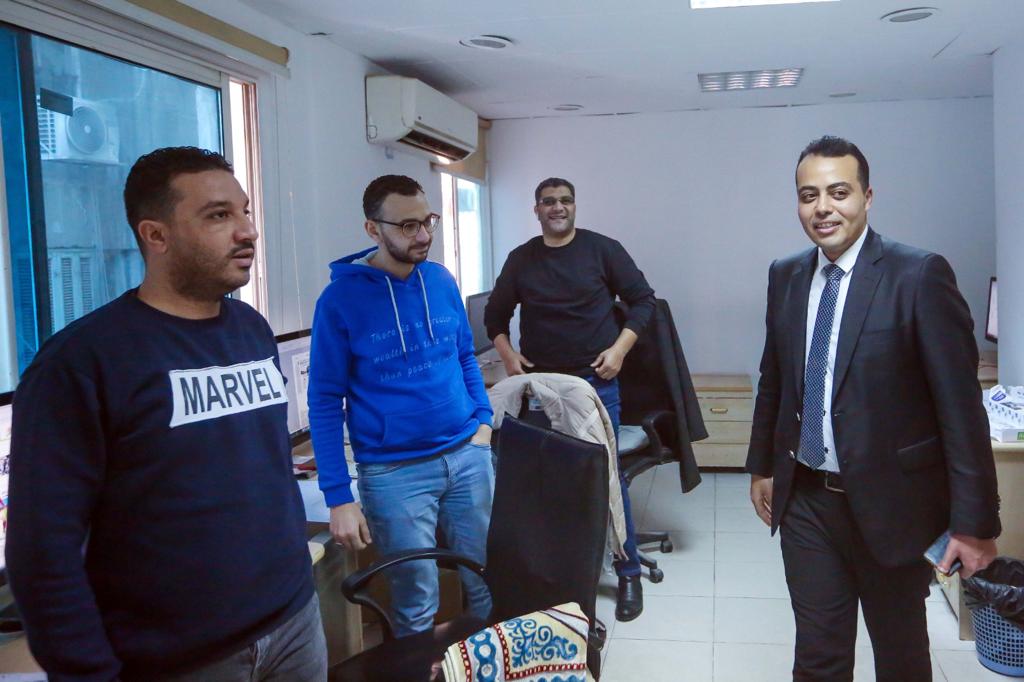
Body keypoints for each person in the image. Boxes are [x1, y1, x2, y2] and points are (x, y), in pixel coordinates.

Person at [6, 147, 325, 681]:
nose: (247, 231)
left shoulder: (250, 329)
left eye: (244, 212)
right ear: (156, 235)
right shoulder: (82, 362)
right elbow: (43, 551)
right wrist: (87, 671)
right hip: (180, 659)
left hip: (292, 622)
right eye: (218, 215)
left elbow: (264, 469)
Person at [746, 135, 1000, 681]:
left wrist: (975, 523)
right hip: (807, 501)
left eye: (838, 192)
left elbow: (961, 410)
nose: (823, 208)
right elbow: (776, 379)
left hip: (893, 504)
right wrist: (763, 465)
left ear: (867, 196)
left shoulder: (919, 275)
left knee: (900, 653)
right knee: (818, 657)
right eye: (809, 195)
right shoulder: (785, 275)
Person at [307, 174, 494, 637]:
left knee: (483, 579)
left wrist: (484, 421)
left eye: (428, 221)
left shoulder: (441, 279)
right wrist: (338, 496)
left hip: (467, 457)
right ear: (373, 229)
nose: (424, 235)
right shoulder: (339, 301)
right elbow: (325, 401)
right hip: (395, 474)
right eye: (408, 226)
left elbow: (464, 355)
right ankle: (420, 666)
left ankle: (483, 662)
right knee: (416, 600)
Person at [484, 177, 656, 621]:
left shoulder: (602, 250)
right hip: (542, 389)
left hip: (595, 385)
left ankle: (628, 572)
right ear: (536, 210)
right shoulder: (522, 259)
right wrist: (508, 355)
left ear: (575, 206)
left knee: (607, 478)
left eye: (565, 200)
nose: (557, 208)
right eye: (549, 202)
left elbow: (644, 302)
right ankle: (557, 577)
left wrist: (619, 350)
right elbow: (494, 316)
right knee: (548, 483)